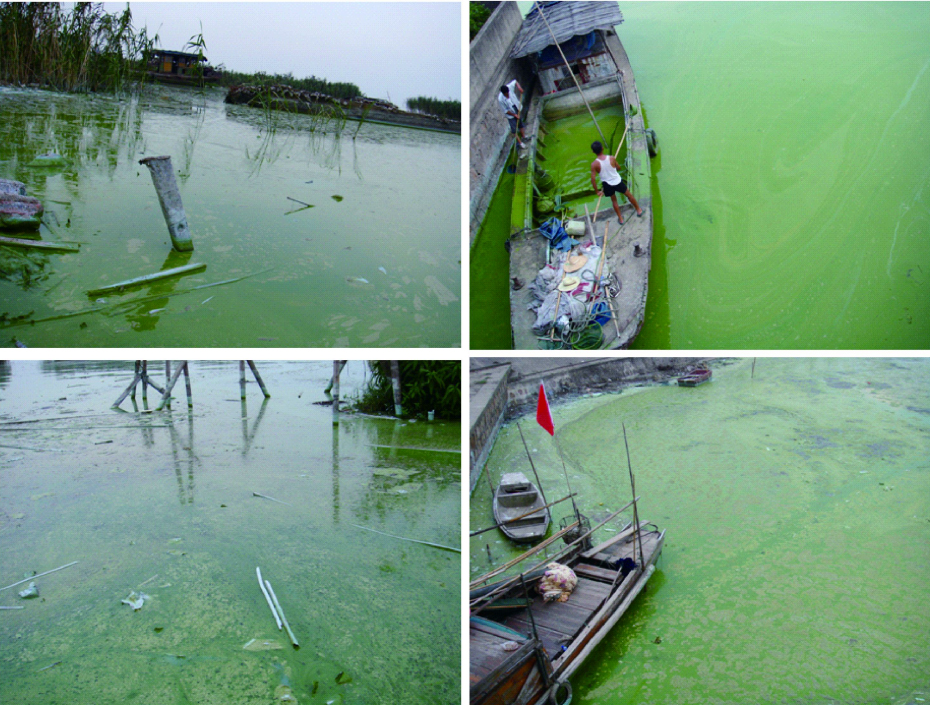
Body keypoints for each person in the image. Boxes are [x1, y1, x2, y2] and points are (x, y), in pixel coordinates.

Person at [590, 141, 643, 223]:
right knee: (629, 195)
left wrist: (597, 191)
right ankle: (639, 210)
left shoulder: (594, 164)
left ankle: (621, 219)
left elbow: (593, 179)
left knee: (614, 200)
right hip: (617, 181)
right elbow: (618, 168)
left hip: (607, 184)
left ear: (593, 152)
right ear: (602, 148)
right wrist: (614, 165)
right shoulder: (611, 158)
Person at [499, 81, 527, 149]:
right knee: (514, 129)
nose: (508, 95)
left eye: (508, 93)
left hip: (516, 106)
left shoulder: (509, 87)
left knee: (520, 123)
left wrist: (519, 88)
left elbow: (515, 81)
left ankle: (524, 136)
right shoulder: (500, 99)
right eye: (506, 94)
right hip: (510, 114)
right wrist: (514, 115)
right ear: (503, 93)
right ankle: (520, 143)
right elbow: (505, 110)